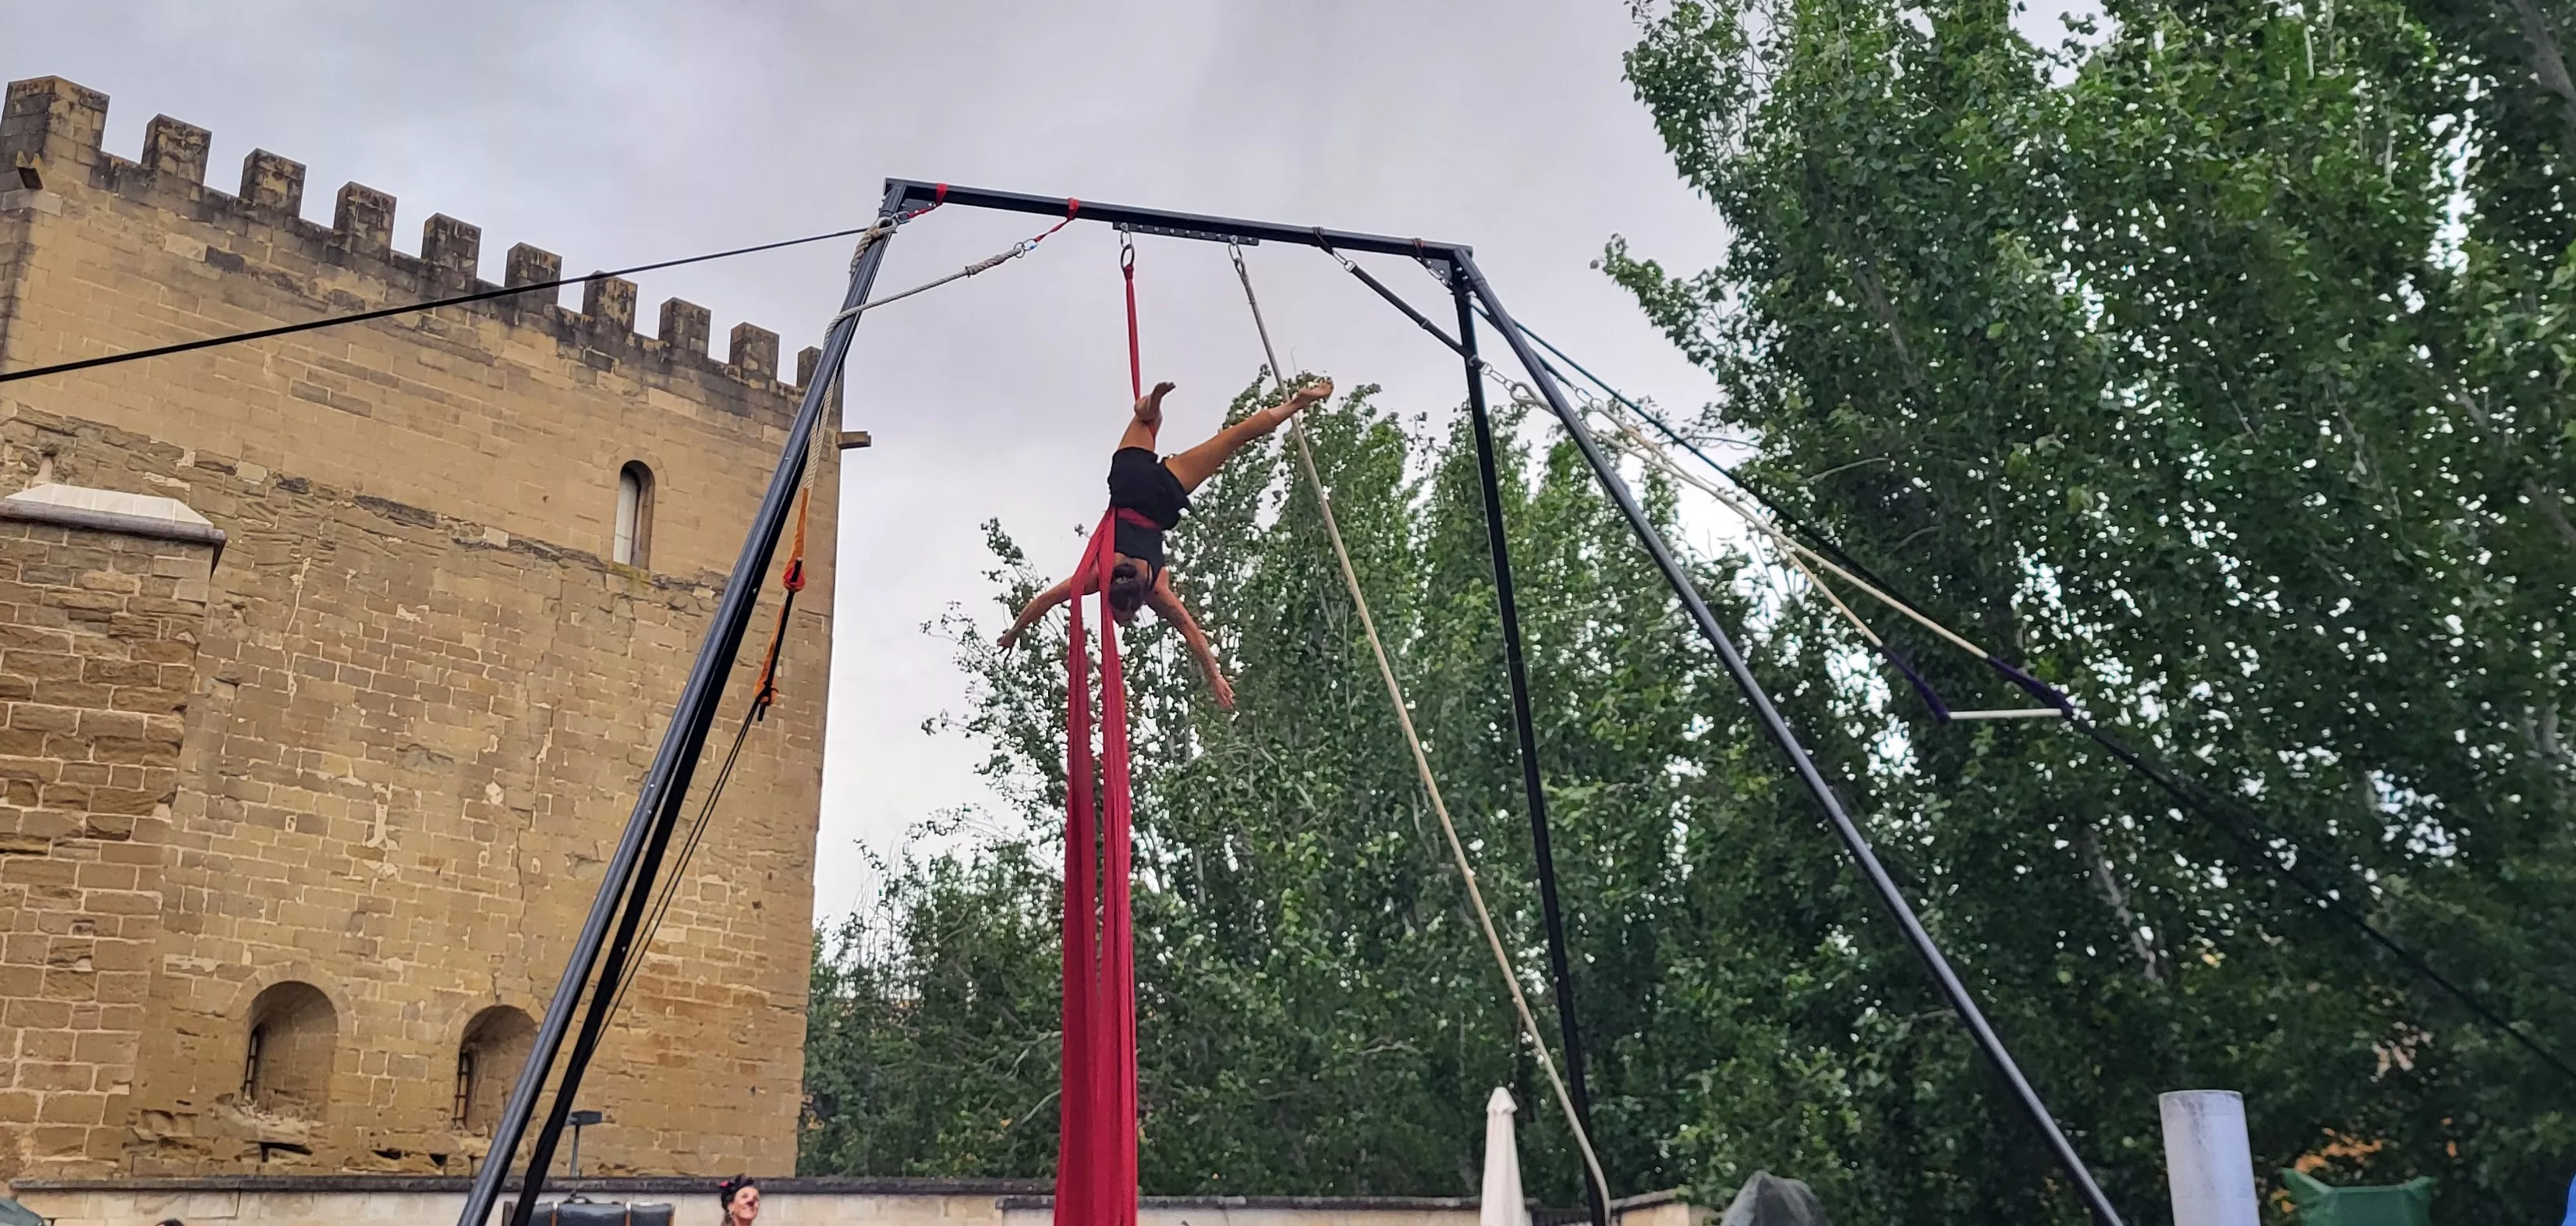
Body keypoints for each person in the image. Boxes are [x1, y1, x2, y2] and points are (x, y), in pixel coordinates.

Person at [999, 376, 1334, 709]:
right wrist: (1015, 630)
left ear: (1135, 600)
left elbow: (1192, 633)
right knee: (1146, 419)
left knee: (1233, 439)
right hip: (1129, 485)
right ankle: (1151, 408)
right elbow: (1044, 601)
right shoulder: (1097, 575)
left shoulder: (1157, 590)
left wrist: (1214, 675)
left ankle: (1295, 404)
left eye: (1122, 618)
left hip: (1161, 499)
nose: (1120, 620)